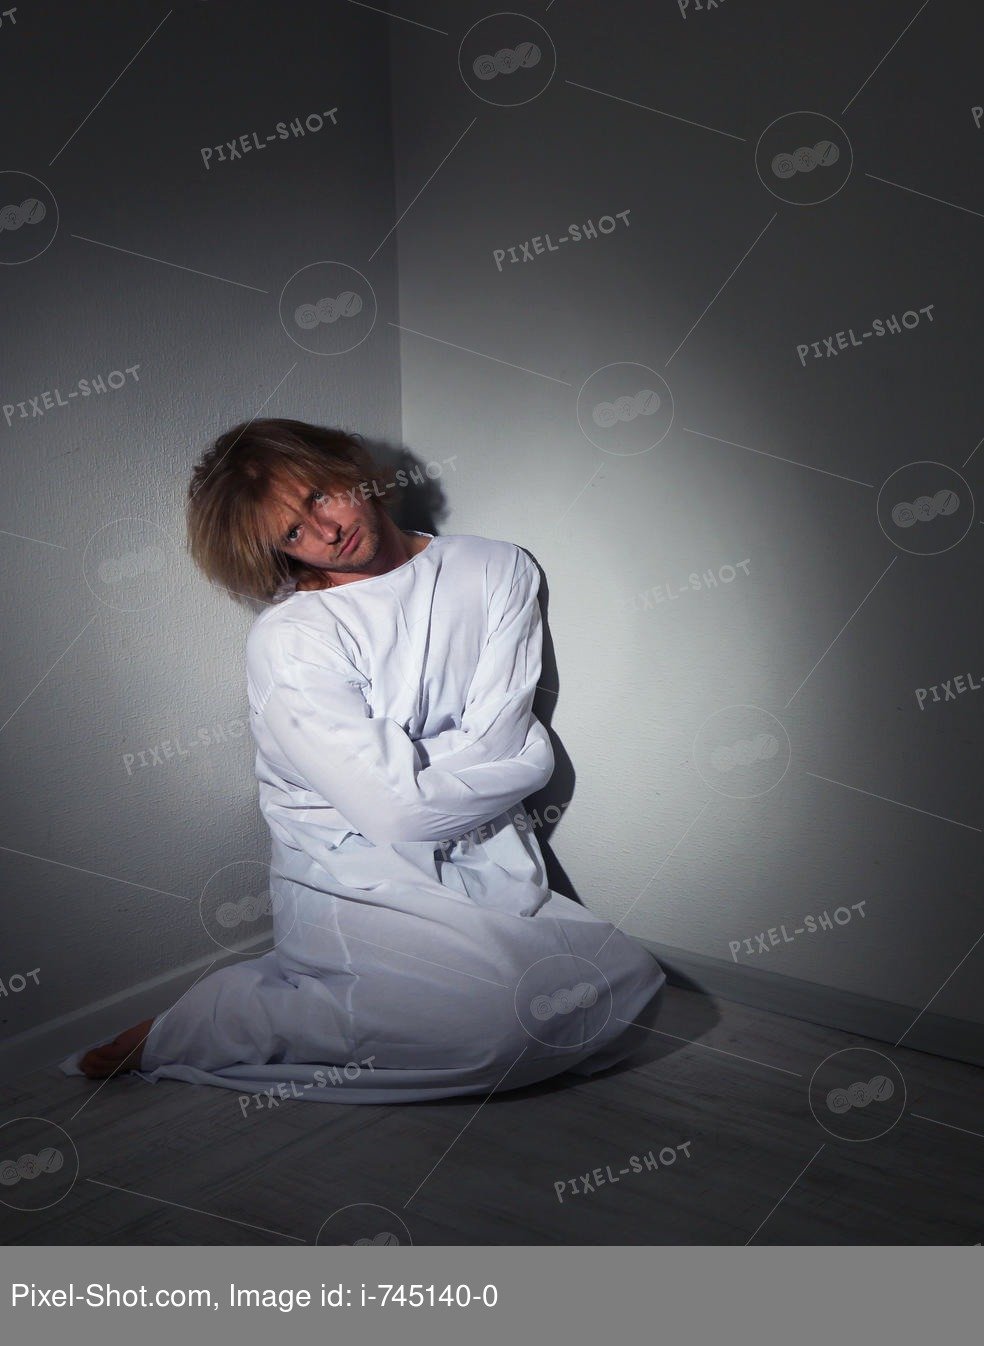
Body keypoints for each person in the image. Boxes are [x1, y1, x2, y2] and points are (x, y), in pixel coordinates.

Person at [68, 418, 664, 1101]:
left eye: (320, 497)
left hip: (485, 850)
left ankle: (341, 995)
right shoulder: (292, 638)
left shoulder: (498, 568)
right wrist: (527, 759)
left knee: (628, 984)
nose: (325, 533)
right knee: (498, 1028)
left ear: (351, 472)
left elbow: (495, 741)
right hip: (350, 871)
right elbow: (397, 810)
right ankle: (225, 1018)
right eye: (293, 532)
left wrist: (441, 764)